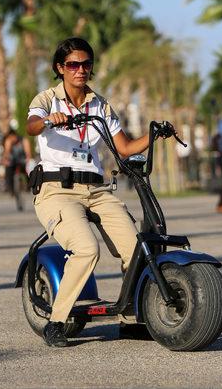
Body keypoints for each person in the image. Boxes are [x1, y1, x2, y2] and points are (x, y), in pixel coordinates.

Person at [26, 37, 151, 347]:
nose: (80, 70)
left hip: (96, 189)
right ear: (60, 68)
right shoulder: (47, 99)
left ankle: (132, 319)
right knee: (86, 249)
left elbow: (123, 148)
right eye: (73, 64)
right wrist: (46, 120)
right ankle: (56, 322)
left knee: (136, 249)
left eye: (85, 64)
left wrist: (154, 135)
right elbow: (30, 126)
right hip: (57, 190)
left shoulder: (100, 104)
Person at [1, 129, 33, 211]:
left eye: (12, 137)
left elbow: (28, 153)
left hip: (22, 160)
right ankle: (11, 190)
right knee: (8, 171)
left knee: (28, 171)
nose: (12, 139)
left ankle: (29, 186)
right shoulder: (8, 141)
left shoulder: (24, 140)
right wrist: (5, 160)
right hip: (13, 160)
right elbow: (6, 153)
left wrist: (28, 159)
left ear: (15, 135)